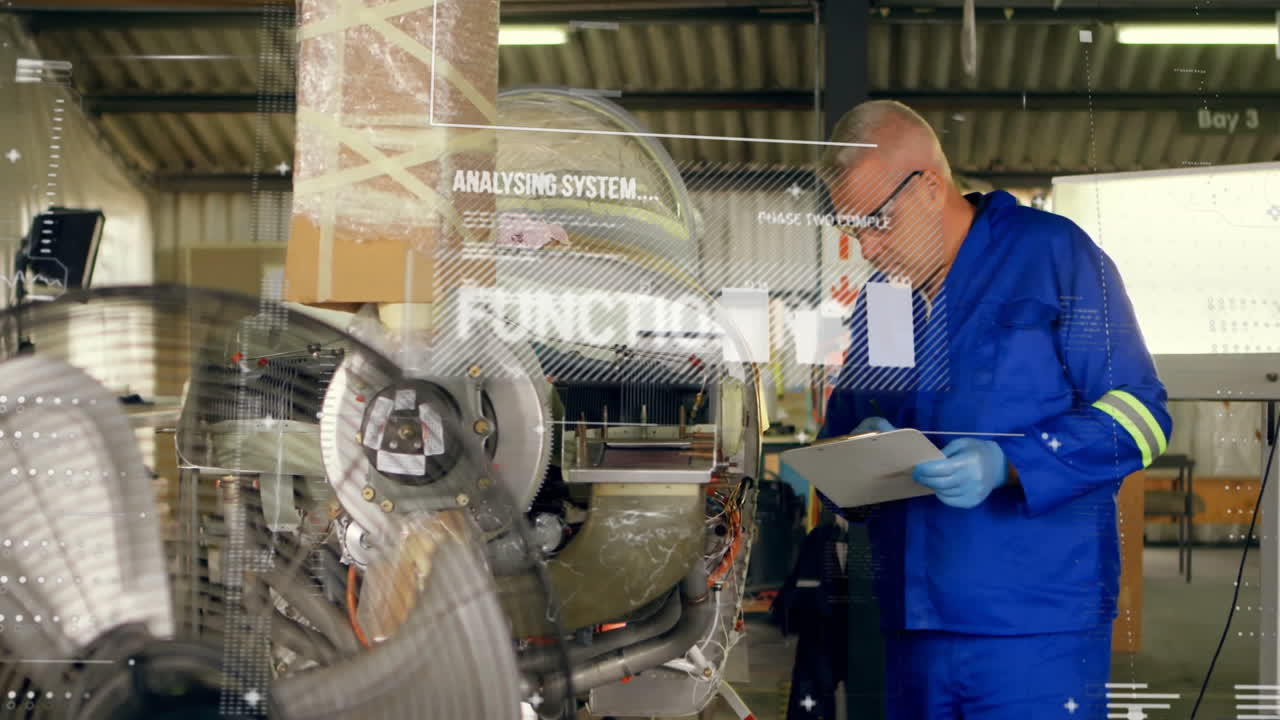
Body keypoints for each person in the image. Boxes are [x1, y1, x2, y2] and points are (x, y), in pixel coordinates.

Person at [817, 100, 1172, 720]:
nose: (866, 247)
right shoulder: (885, 300)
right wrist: (857, 451)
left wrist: (1011, 463)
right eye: (850, 226)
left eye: (877, 221)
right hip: (915, 626)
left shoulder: (1052, 256)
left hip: (1035, 630)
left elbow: (1142, 417)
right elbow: (840, 440)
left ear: (930, 188)